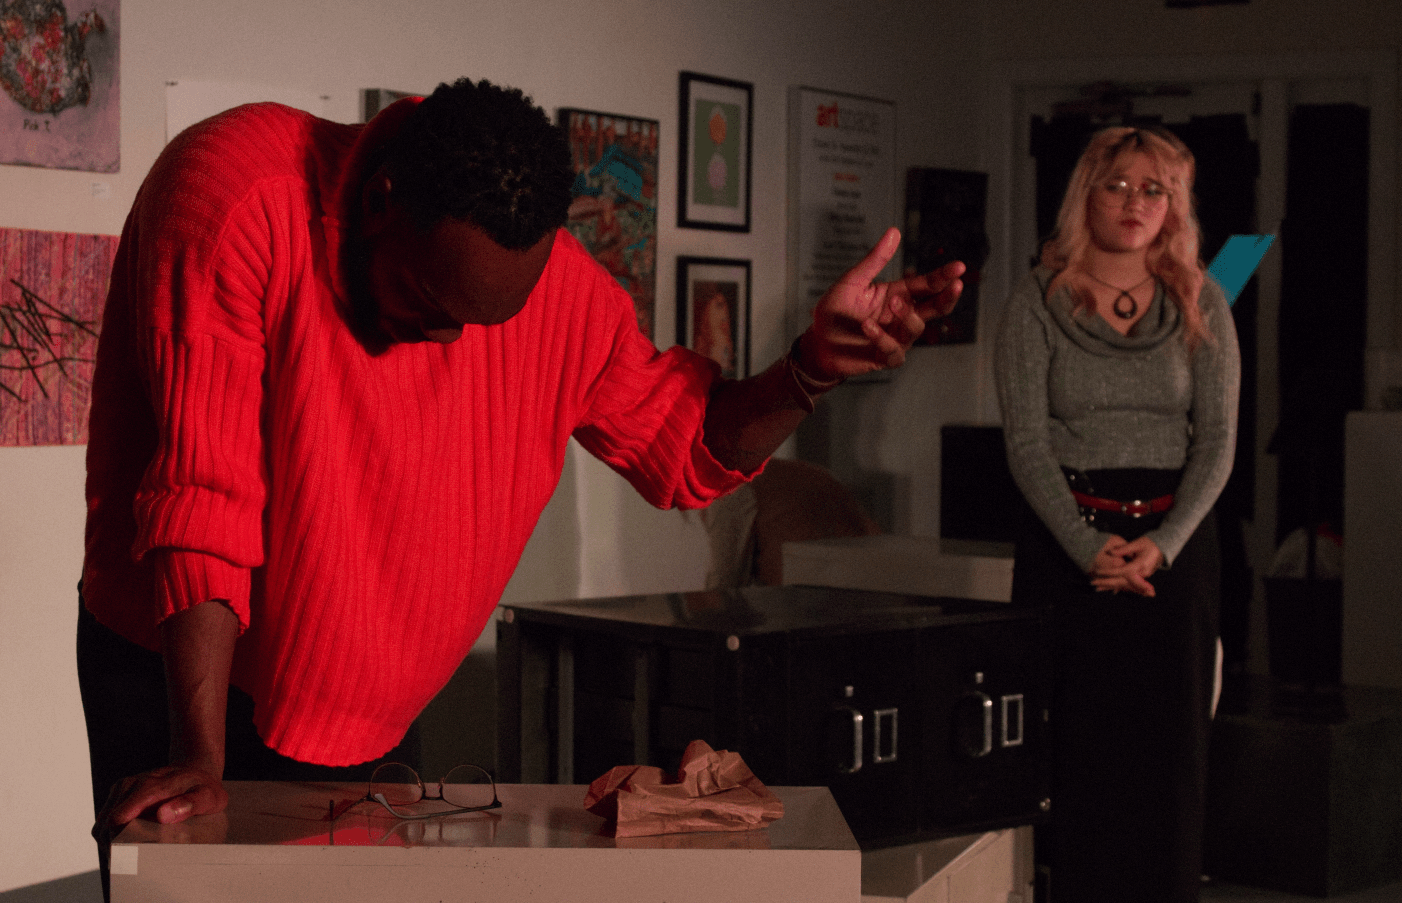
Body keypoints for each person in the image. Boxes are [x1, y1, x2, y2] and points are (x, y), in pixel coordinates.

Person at [80, 78, 964, 836]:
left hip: (359, 704)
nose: (448, 335)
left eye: (482, 320)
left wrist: (809, 371)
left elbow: (686, 445)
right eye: (429, 299)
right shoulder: (236, 194)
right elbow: (204, 492)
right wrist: (195, 753)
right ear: (383, 199)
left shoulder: (554, 288)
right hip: (178, 668)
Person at [994, 126, 1239, 903]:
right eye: (1119, 185)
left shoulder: (1205, 299)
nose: (1136, 203)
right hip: (1069, 552)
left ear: (1175, 206)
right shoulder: (1035, 301)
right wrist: (1085, 545)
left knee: (1170, 759)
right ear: (1085, 195)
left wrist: (1160, 545)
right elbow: (1027, 441)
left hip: (1174, 553)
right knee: (1081, 753)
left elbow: (1220, 441)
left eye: (1155, 189)